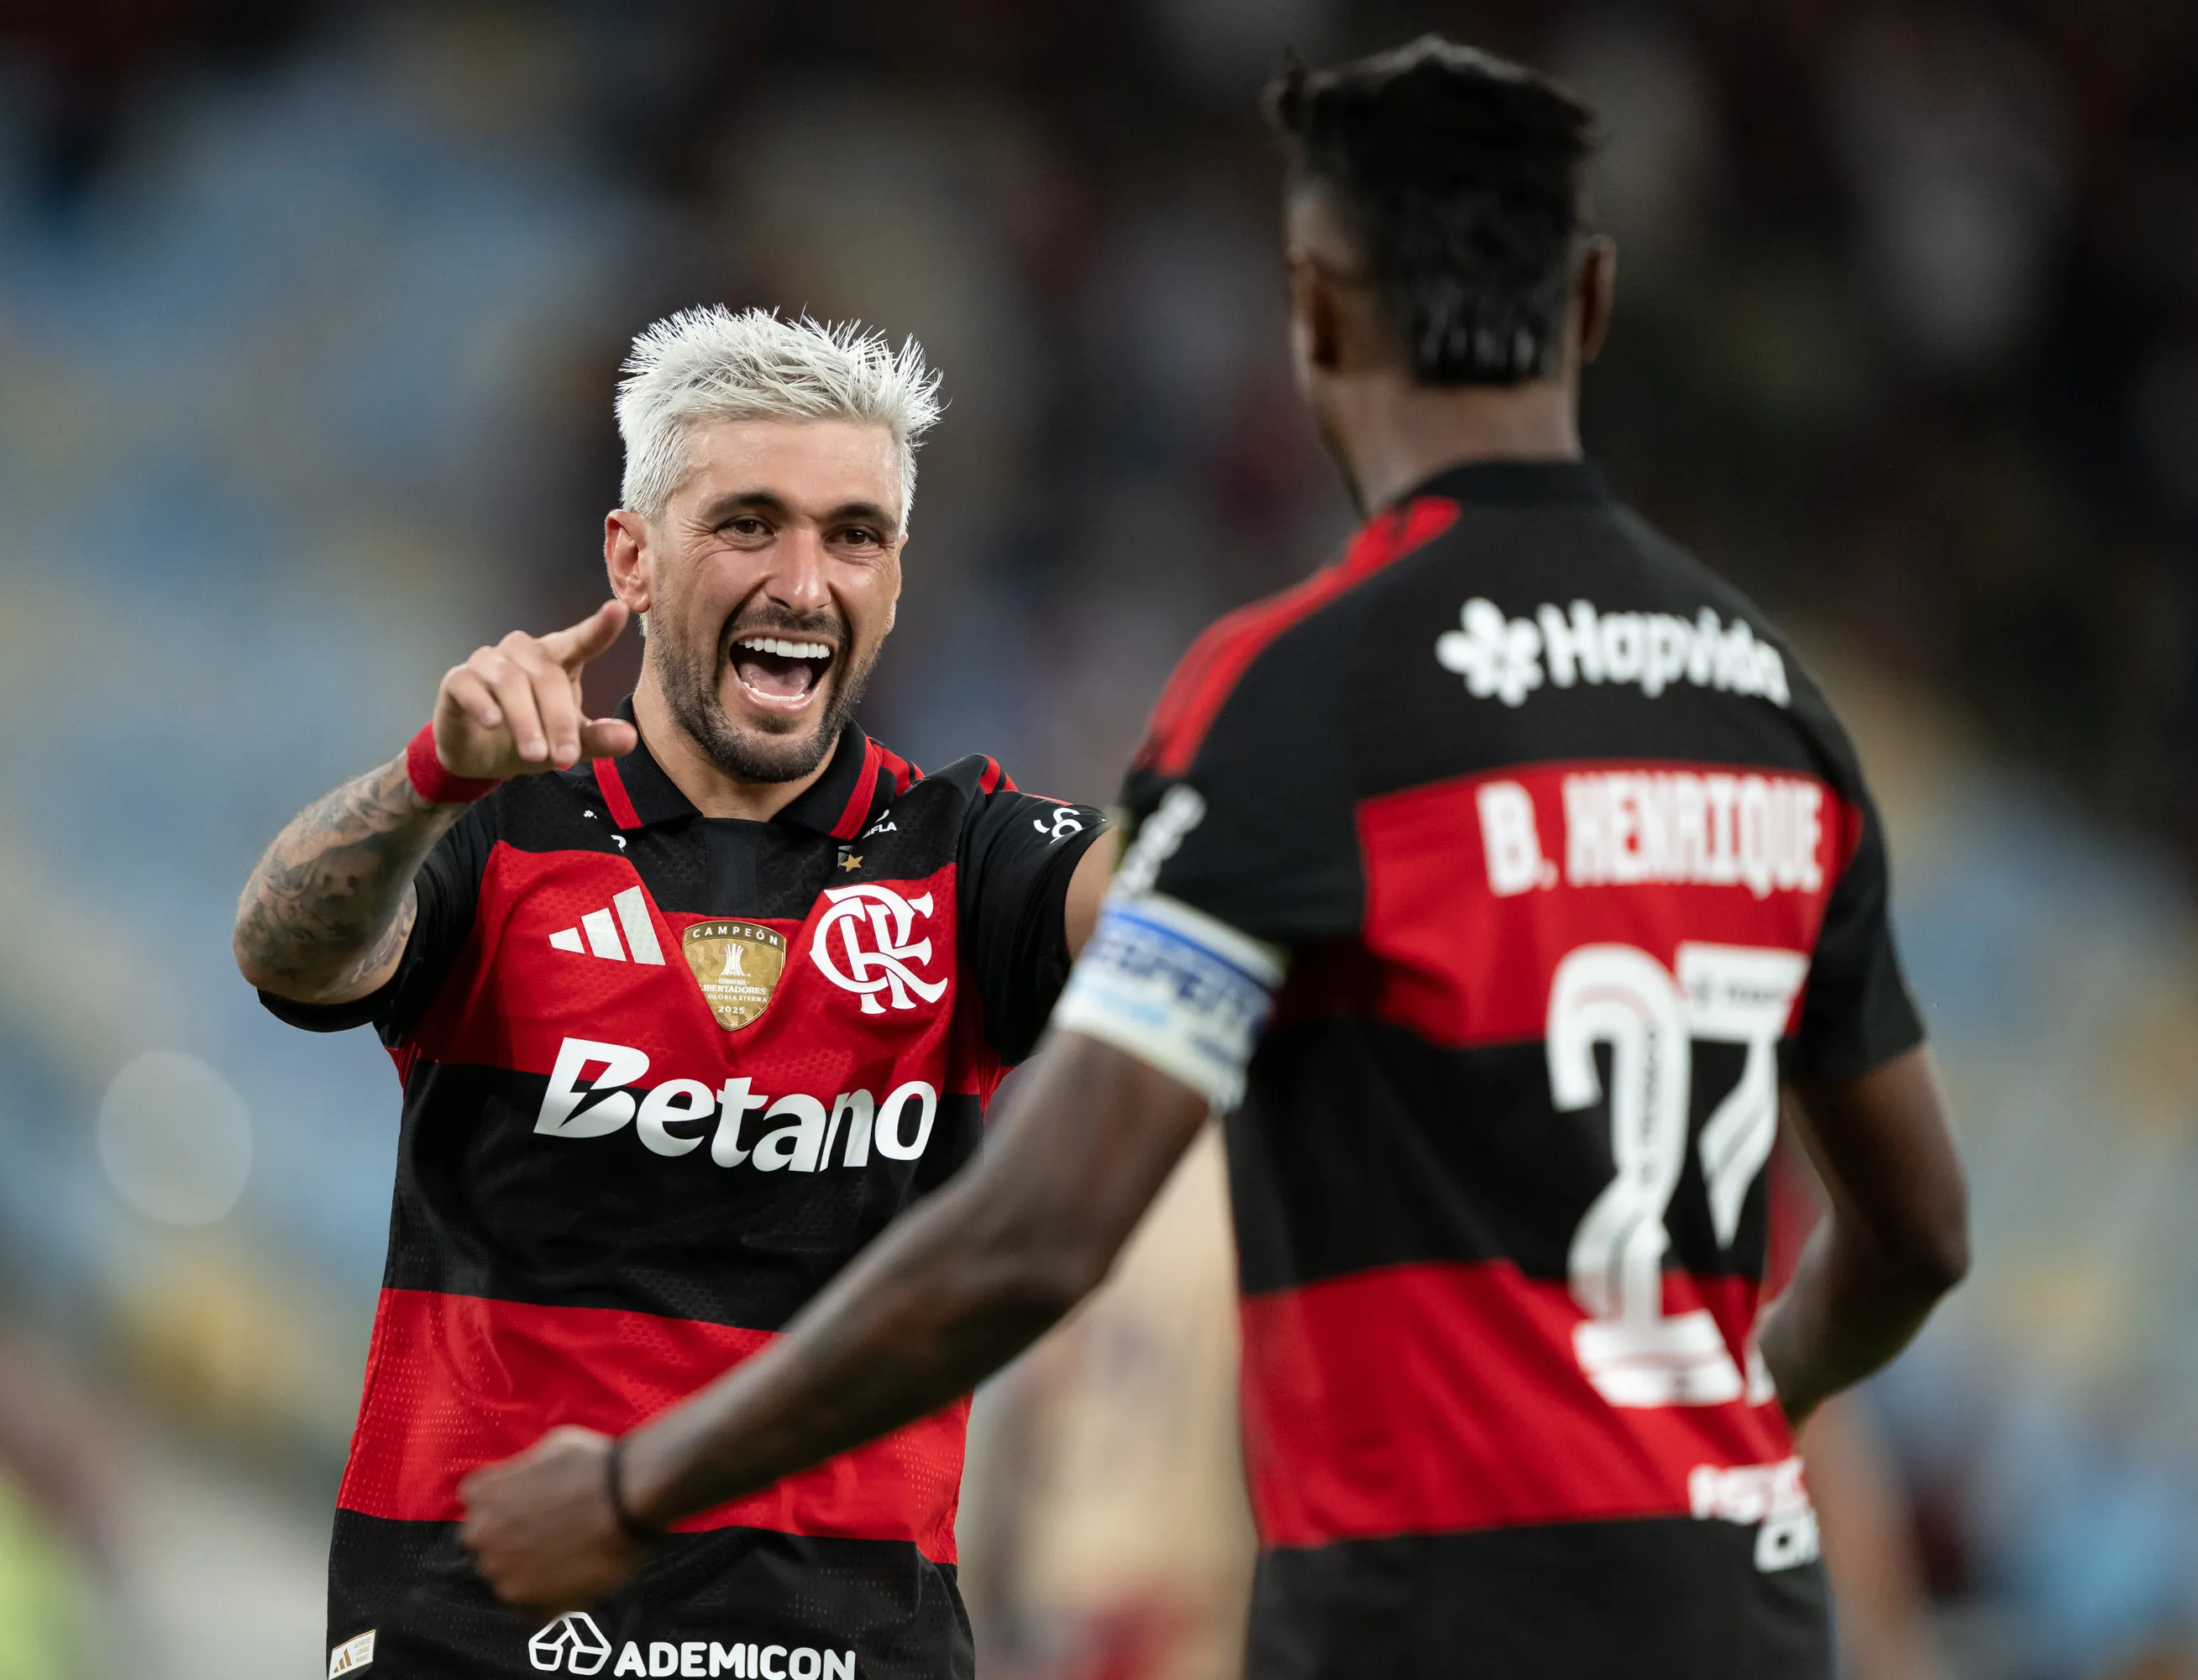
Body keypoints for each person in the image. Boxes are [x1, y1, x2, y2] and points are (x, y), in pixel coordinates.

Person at [454, 39, 1971, 1680]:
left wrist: (639, 1478)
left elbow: (1041, 1229)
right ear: (1589, 306)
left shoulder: (1313, 693)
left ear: (1316, 314)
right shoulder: (1774, 714)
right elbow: (1918, 1238)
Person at [233, 307, 1112, 1679]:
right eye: (749, 524)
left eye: (855, 535)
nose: (805, 582)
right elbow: (285, 952)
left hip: (843, 1655)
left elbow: (1186, 899)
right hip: (476, 1647)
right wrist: (427, 779)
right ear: (631, 558)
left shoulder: (970, 862)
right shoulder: (498, 833)